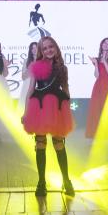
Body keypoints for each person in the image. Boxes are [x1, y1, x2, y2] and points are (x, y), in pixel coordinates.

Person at [22, 36, 75, 196]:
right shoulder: (36, 66)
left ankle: (66, 180)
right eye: (44, 48)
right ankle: (41, 183)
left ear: (56, 47)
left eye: (51, 46)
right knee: (40, 144)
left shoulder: (62, 68)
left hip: (57, 107)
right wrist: (26, 112)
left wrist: (67, 110)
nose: (48, 50)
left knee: (59, 144)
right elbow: (30, 89)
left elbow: (65, 88)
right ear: (41, 51)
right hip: (39, 106)